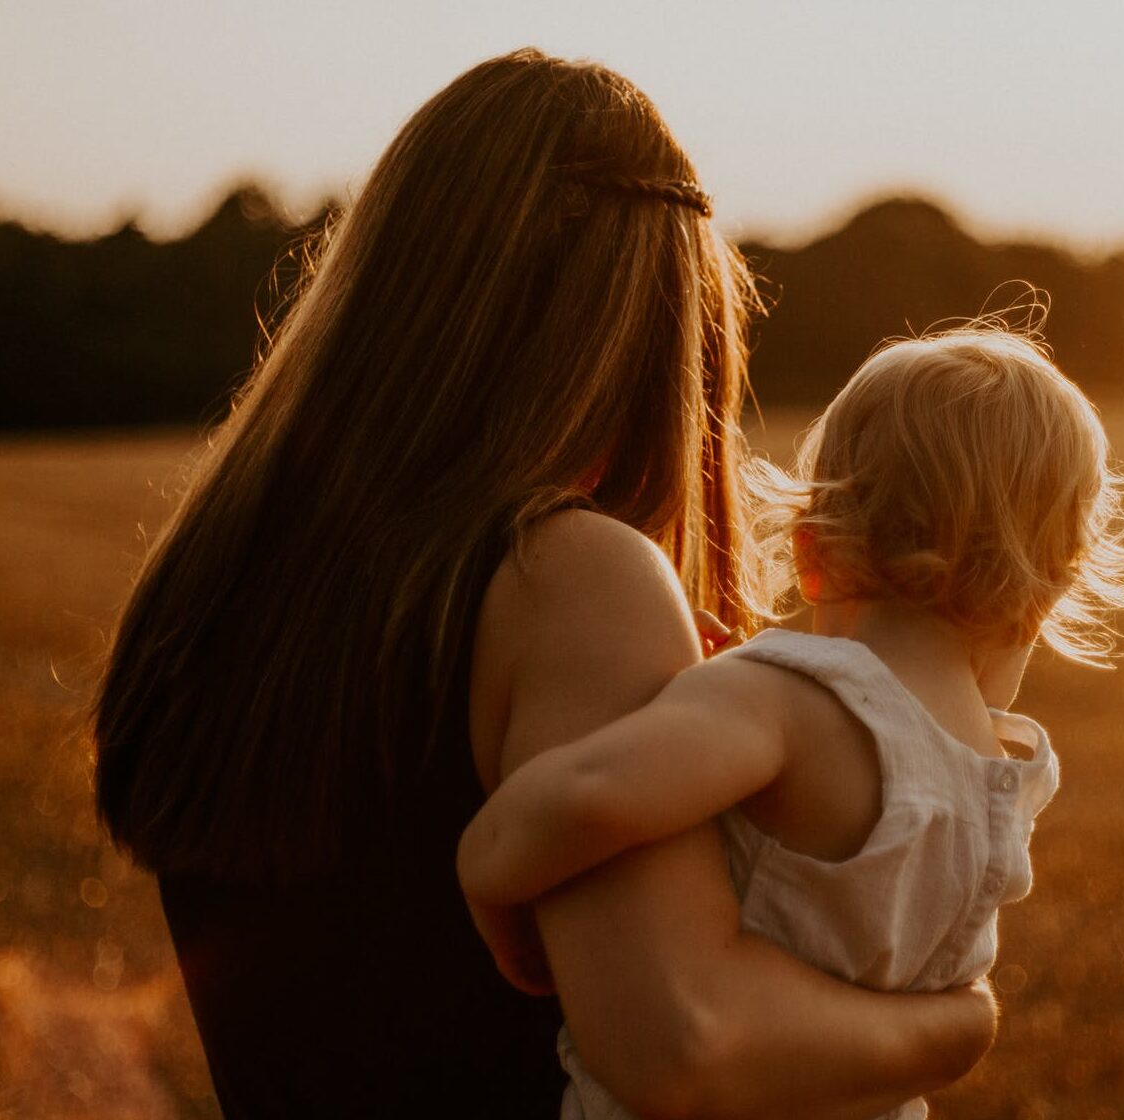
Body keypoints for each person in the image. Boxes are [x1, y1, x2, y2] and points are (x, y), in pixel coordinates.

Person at [92, 49, 998, 1119]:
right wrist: (951, 1026)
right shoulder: (567, 578)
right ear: (660, 333)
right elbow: (684, 1047)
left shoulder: (220, 576)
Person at [458, 327, 1124, 1119]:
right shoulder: (1004, 783)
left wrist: (488, 868)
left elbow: (594, 791)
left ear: (810, 550)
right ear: (1045, 594)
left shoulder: (789, 700)